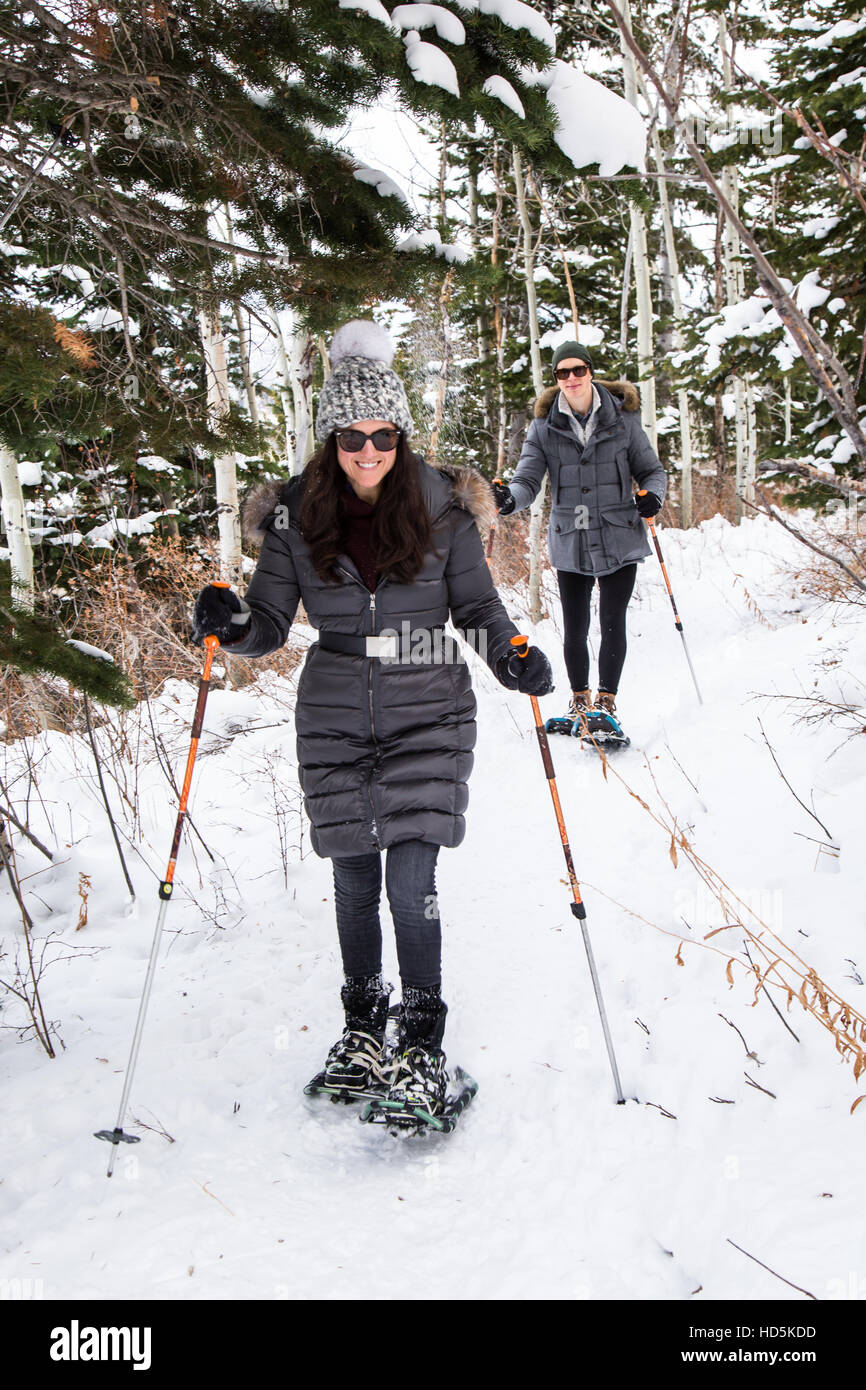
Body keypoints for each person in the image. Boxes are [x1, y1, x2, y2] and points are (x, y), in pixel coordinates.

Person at [191, 320, 553, 1121]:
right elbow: (270, 625)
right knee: (353, 875)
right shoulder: (292, 517)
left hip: (429, 704)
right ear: (330, 437)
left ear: (400, 433)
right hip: (332, 710)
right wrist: (230, 621)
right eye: (351, 435)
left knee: (410, 875)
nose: (368, 450)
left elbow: (479, 608)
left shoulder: (447, 509)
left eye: (383, 434)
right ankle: (362, 1030)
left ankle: (421, 1042)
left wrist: (513, 653)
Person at [492, 341, 666, 740]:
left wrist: (652, 496)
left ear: (590, 371)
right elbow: (527, 480)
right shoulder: (544, 427)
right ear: (556, 379)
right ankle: (580, 702)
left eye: (578, 370)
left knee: (612, 621)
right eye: (562, 373)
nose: (571, 379)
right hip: (571, 536)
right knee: (575, 626)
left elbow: (652, 471)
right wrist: (507, 501)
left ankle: (606, 705)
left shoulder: (624, 420)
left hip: (619, 534)